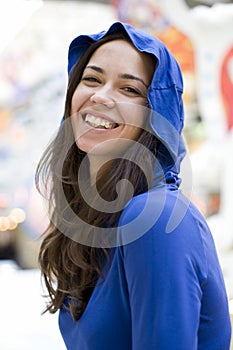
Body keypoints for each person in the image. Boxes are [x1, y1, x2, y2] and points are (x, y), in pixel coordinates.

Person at [36, 22, 231, 349]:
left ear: (155, 115)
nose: (100, 96)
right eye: (92, 79)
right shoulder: (97, 225)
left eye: (129, 89)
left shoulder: (155, 218)